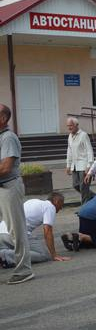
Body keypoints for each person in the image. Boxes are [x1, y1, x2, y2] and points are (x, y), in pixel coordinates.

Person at [0, 104, 33, 284]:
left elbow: (5, 167)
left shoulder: (8, 138)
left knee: (16, 231)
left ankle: (24, 270)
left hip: (9, 187)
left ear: (3, 118)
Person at [0, 193, 69, 268]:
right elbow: (47, 231)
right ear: (56, 201)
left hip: (2, 232)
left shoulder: (33, 201)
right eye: (61, 204)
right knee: (42, 255)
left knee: (21, 247)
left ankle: (5, 254)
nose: (61, 208)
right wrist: (54, 255)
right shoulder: (50, 207)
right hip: (16, 233)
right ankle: (4, 254)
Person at [66, 117, 95, 205]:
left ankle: (84, 207)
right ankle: (94, 197)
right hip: (74, 165)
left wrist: (89, 166)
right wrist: (68, 165)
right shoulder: (70, 136)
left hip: (83, 165)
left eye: (71, 125)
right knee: (75, 185)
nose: (69, 128)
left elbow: (89, 150)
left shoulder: (83, 135)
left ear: (76, 125)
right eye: (68, 126)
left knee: (84, 187)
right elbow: (69, 151)